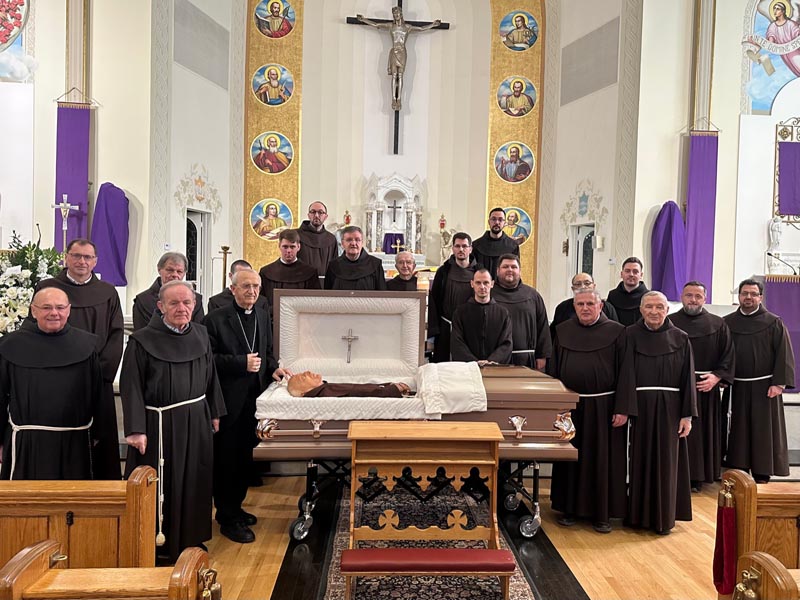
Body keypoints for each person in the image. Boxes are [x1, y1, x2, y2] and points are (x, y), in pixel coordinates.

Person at [122, 280, 226, 561]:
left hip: (196, 419)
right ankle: (157, 542)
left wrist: (215, 411)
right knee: (162, 482)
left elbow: (211, 376)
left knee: (195, 478)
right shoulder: (142, 340)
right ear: (160, 306)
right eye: (174, 303)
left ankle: (191, 537)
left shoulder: (201, 334)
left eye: (187, 302)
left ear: (195, 305)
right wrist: (136, 429)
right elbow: (131, 386)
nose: (182, 308)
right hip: (159, 425)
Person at [205, 269, 289, 544]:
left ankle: (236, 507)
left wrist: (273, 368)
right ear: (233, 289)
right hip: (228, 401)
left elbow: (266, 351)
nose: (252, 291)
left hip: (255, 400)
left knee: (244, 459)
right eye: (245, 286)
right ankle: (227, 517)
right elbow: (208, 359)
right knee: (227, 460)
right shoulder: (215, 319)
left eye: (256, 287)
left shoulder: (262, 315)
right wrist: (241, 363)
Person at [35, 238, 124, 479]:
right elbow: (36, 328)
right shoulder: (47, 288)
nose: (81, 261)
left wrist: (99, 372)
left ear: (95, 261)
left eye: (87, 257)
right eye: (76, 256)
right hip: (55, 380)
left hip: (96, 379)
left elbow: (116, 334)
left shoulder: (107, 292)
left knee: (99, 444)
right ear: (66, 258)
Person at [0, 288, 103, 480]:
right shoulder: (9, 346)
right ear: (34, 310)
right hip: (26, 443)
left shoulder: (86, 346)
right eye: (46, 307)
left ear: (68, 310)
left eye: (60, 307)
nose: (54, 313)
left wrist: (98, 434)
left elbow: (97, 396)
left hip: (75, 443)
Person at [549, 288, 629, 533]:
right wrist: (555, 405)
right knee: (570, 459)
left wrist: (622, 408)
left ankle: (601, 514)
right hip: (570, 406)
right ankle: (568, 509)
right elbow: (554, 369)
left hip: (605, 407)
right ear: (574, 306)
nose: (585, 308)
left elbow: (626, 372)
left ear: (600, 306)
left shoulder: (617, 332)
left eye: (590, 304)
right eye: (580, 304)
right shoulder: (563, 331)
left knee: (601, 460)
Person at [616, 291, 697, 535]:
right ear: (641, 310)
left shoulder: (681, 338)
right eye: (649, 306)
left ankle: (664, 518)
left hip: (670, 409)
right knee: (637, 461)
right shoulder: (629, 334)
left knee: (667, 463)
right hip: (638, 407)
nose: (654, 311)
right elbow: (624, 373)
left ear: (667, 310)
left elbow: (688, 378)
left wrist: (687, 415)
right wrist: (624, 408)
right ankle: (636, 516)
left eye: (659, 307)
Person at [724, 278, 795, 483]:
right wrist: (722, 376)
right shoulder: (727, 322)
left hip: (765, 387)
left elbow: (783, 353)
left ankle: (762, 472)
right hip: (736, 385)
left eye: (753, 294)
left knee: (763, 429)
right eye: (744, 293)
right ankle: (738, 469)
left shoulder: (773, 322)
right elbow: (721, 352)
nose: (748, 297)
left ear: (760, 297)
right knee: (738, 429)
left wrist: (779, 383)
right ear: (739, 296)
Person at [670, 281, 735, 491]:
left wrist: (716, 377)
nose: (693, 300)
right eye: (689, 295)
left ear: (705, 299)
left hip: (705, 387)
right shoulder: (670, 322)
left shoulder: (718, 324)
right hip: (676, 389)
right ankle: (677, 475)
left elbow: (728, 355)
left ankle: (699, 476)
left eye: (698, 296)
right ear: (682, 297)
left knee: (702, 434)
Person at [356, 6, 441, 111]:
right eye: (394, 14)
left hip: (402, 53)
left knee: (400, 76)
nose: (396, 16)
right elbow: (377, 25)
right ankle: (393, 99)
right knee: (394, 75)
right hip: (394, 52)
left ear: (401, 14)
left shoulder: (407, 27)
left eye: (397, 13)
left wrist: (433, 25)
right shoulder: (390, 26)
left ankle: (399, 99)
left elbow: (421, 29)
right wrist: (363, 20)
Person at [491, 254, 551, 370]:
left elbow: (542, 326)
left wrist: (542, 355)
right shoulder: (488, 295)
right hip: (495, 359)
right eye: (505, 267)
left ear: (520, 271)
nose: (510, 270)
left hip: (526, 359)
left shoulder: (532, 295)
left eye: (514, 267)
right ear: (497, 271)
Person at [428, 232, 478, 363]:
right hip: (446, 327)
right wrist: (433, 333)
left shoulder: (479, 271)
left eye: (464, 246)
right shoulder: (443, 271)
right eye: (457, 246)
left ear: (470, 249)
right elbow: (435, 301)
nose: (461, 249)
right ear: (453, 248)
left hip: (471, 327)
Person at [450, 269, 512, 365]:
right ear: (472, 284)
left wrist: (491, 361)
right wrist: (474, 362)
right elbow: (457, 342)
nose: (482, 287)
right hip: (468, 368)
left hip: (495, 369)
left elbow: (506, 343)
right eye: (478, 283)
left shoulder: (503, 313)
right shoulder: (460, 313)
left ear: (492, 284)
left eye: (486, 283)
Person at [132, 252, 204, 331]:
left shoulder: (196, 299)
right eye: (170, 270)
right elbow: (142, 333)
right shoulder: (143, 301)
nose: (174, 274)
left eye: (179, 271)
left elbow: (198, 331)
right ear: (159, 270)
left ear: (184, 273)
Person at [259, 229, 321, 310]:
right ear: (279, 246)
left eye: (292, 247)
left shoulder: (310, 272)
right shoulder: (266, 272)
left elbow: (316, 302)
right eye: (285, 247)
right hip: (273, 316)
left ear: (298, 247)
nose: (288, 251)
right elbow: (261, 302)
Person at [550, 273, 618, 339]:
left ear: (594, 286)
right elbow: (555, 334)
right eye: (578, 284)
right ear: (572, 288)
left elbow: (615, 331)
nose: (583, 287)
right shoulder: (562, 308)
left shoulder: (607, 308)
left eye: (587, 283)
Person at [324, 226, 387, 290]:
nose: (353, 243)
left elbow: (382, 293)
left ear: (362, 243)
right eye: (349, 240)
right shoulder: (334, 266)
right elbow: (327, 293)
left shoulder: (375, 264)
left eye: (357, 240)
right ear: (342, 244)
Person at [471, 208, 520, 277]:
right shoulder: (476, 245)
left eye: (500, 219)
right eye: (493, 219)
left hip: (504, 283)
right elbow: (472, 271)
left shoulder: (513, 246)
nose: (497, 222)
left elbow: (515, 272)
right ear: (489, 222)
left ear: (504, 223)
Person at [287, 370, 410, 397]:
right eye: (303, 378)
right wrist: (391, 389)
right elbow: (357, 392)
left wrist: (386, 385)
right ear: (304, 393)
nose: (308, 372)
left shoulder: (325, 388)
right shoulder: (327, 391)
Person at [297, 201, 338, 277]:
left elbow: (334, 267)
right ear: (308, 215)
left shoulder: (331, 239)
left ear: (326, 216)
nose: (316, 215)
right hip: (301, 282)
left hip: (325, 283)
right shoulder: (296, 236)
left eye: (320, 212)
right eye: (313, 212)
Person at [606, 257, 649, 326]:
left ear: (641, 275)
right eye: (627, 271)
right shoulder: (612, 295)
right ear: (621, 274)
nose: (631, 274)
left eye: (635, 271)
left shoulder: (649, 297)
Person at [766, 2, 800, 77]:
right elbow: (770, 39)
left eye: (777, 9)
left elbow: (797, 34)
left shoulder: (790, 24)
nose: (775, 11)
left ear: (783, 11)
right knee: (796, 71)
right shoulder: (772, 26)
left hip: (795, 52)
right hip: (784, 54)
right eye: (774, 9)